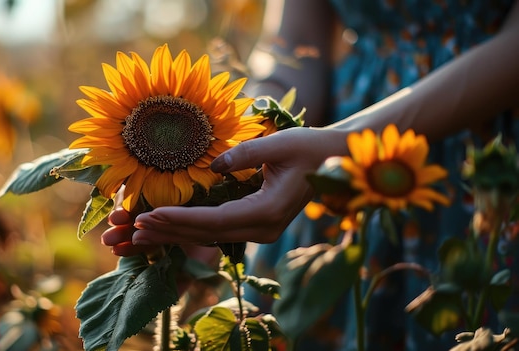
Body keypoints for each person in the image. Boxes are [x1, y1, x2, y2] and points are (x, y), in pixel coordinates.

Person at [102, 0, 519, 350]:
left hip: (486, 156)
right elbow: (295, 52)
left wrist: (339, 145)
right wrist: (226, 152)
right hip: (328, 150)